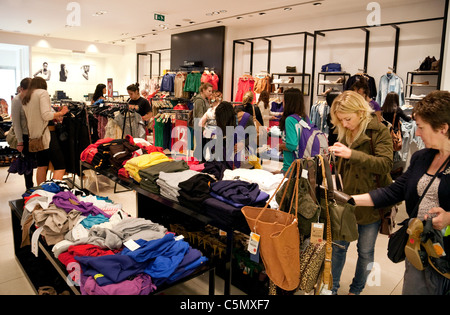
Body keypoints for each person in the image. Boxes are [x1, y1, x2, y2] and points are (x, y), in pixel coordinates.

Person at [351, 90, 450, 295]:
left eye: (421, 128)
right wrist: (350, 200)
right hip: (419, 248)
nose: (417, 134)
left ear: (443, 128)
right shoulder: (422, 157)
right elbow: (395, 191)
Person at [328, 90, 393, 295]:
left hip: (370, 202)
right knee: (338, 248)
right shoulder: (346, 130)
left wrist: (351, 154)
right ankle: (332, 289)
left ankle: (356, 289)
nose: (345, 124)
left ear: (360, 112)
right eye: (341, 120)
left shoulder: (379, 131)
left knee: (365, 252)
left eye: (348, 119)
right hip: (345, 201)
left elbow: (385, 164)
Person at [21, 77, 69, 185]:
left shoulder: (27, 96)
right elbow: (46, 115)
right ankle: (53, 192)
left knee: (42, 165)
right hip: (47, 134)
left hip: (36, 136)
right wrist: (62, 113)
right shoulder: (42, 93)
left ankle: (42, 192)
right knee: (60, 165)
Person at [11, 77, 35, 189]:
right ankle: (29, 188)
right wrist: (20, 141)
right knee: (27, 164)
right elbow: (16, 123)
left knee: (36, 163)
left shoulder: (32, 98)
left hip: (35, 136)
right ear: (21, 89)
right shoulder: (16, 101)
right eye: (28, 91)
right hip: (25, 136)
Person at [278, 88, 307, 174]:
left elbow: (292, 146)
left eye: (284, 99)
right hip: (302, 166)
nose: (282, 101)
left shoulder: (290, 120)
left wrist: (280, 146)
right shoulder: (304, 118)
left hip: (290, 168)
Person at [192, 82, 213, 161]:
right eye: (209, 91)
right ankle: (198, 162)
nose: (210, 93)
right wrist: (204, 129)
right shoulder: (199, 101)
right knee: (200, 145)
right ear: (203, 90)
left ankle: (201, 161)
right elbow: (199, 116)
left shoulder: (205, 100)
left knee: (203, 145)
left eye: (211, 91)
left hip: (204, 126)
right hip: (200, 127)